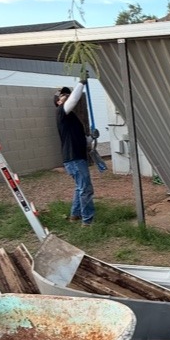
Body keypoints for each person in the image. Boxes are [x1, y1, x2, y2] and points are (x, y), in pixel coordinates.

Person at [54, 69, 95, 224]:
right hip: (74, 159)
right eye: (62, 95)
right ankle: (87, 221)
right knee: (86, 189)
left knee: (80, 188)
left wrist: (91, 137)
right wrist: (81, 83)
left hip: (75, 158)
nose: (66, 96)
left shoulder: (71, 118)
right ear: (58, 101)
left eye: (67, 93)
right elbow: (73, 100)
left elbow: (82, 140)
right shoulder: (61, 112)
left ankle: (75, 215)